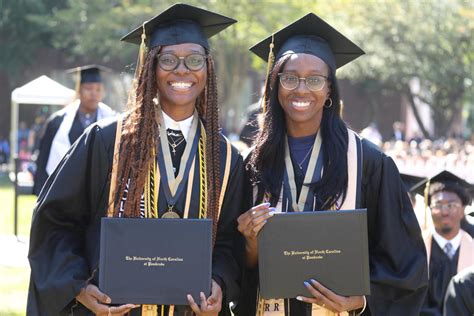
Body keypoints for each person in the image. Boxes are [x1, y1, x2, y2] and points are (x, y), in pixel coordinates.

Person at [27, 4, 243, 316]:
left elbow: (229, 244)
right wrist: (78, 287)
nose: (182, 70)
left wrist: (219, 283)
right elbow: (55, 222)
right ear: (151, 66)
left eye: (194, 59)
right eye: (168, 59)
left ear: (207, 68)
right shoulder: (106, 142)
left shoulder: (225, 157)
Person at [235, 13, 428, 316]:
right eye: (290, 77)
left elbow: (405, 264)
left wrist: (361, 300)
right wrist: (249, 243)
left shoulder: (368, 163)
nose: (301, 89)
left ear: (329, 90)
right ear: (275, 85)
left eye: (314, 79)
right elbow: (238, 269)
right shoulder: (253, 164)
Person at [32, 65, 115, 196]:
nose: (94, 93)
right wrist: (42, 194)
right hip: (65, 190)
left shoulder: (112, 120)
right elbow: (44, 160)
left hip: (98, 192)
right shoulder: (58, 122)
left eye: (98, 89)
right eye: (88, 88)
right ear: (79, 90)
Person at [410, 171, 474, 315]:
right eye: (438, 205)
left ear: (463, 209)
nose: (444, 211)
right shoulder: (415, 250)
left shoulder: (472, 248)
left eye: (451, 205)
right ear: (429, 209)